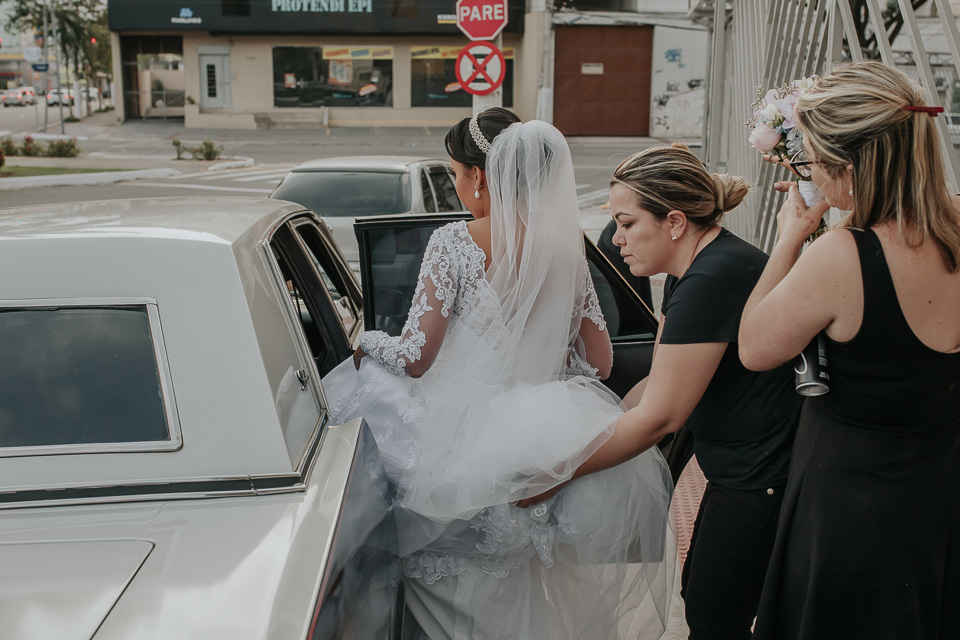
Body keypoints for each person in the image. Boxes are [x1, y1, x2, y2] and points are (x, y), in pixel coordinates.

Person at [322, 108, 675, 640]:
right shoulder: (565, 248)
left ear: (480, 176)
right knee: (515, 585)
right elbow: (599, 363)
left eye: (455, 174)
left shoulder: (454, 242)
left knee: (445, 575)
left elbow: (416, 356)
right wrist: (546, 372)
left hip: (453, 444)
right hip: (533, 447)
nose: (457, 186)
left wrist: (367, 341)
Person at [522, 143, 804, 640]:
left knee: (714, 618)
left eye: (626, 223)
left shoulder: (711, 278)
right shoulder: (692, 270)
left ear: (674, 222)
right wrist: (588, 431)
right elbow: (658, 381)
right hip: (741, 470)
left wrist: (560, 470)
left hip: (763, 476)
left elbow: (661, 416)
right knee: (703, 600)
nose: (615, 238)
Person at [738, 61, 960, 640]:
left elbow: (754, 347)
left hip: (851, 509)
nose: (809, 172)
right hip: (941, 493)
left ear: (850, 167)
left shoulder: (843, 255)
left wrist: (790, 237)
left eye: (813, 161)